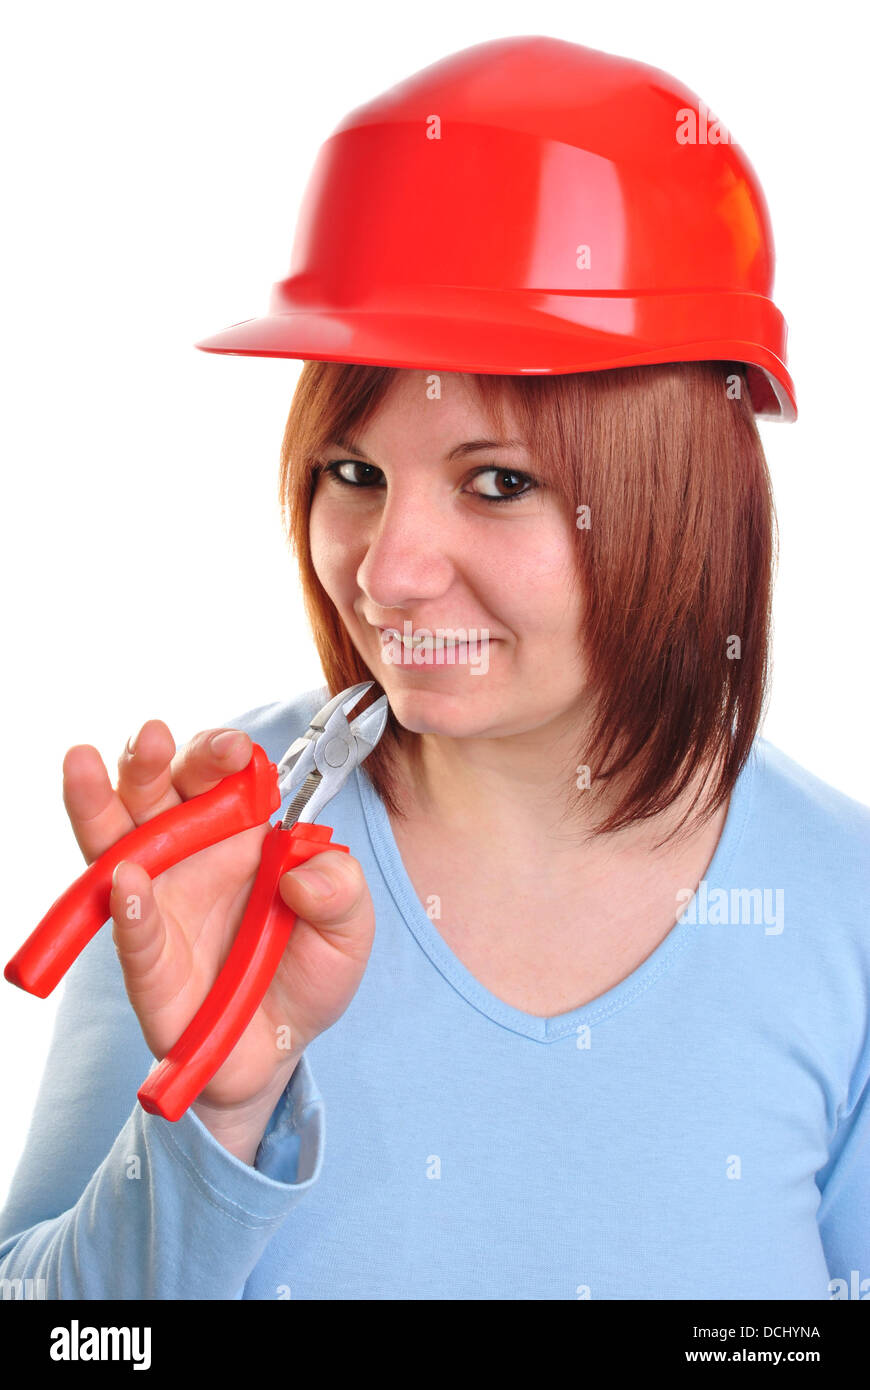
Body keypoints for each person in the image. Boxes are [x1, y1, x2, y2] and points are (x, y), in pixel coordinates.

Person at [1, 36, 867, 1301]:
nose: (390, 570)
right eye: (353, 473)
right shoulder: (206, 866)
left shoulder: (845, 911)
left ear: (685, 496)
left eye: (500, 483)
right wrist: (211, 1129)